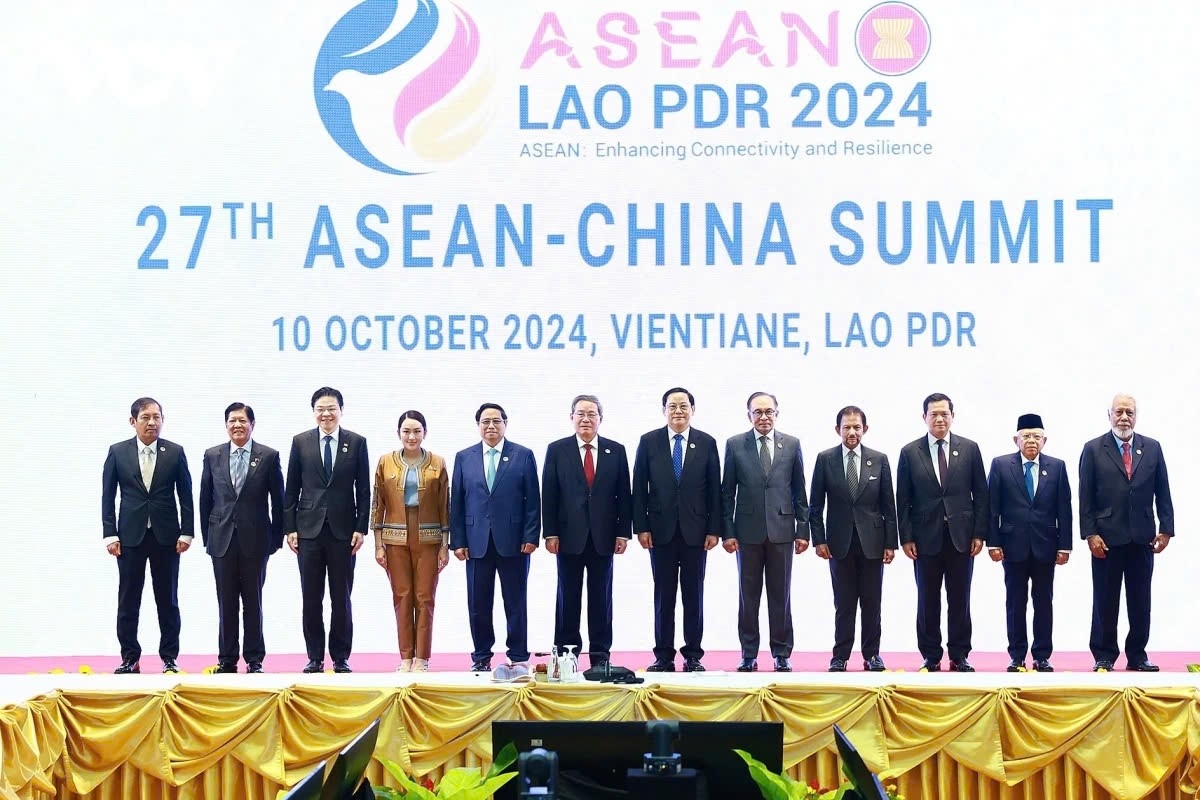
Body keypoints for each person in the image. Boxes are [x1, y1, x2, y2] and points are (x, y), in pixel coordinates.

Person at [1078, 394, 1174, 672]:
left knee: (1140, 600)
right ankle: (1104, 655)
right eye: (1118, 412)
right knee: (1105, 600)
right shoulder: (1094, 448)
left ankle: (1137, 654)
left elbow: (1163, 491)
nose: (1124, 417)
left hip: (1143, 537)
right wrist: (1090, 534)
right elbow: (1085, 497)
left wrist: (1166, 528)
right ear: (1108, 415)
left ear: (1136, 416)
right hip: (1106, 539)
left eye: (1129, 412)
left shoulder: (1152, 448)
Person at [896, 393, 988, 672]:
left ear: (952, 416)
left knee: (960, 598)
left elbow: (981, 495)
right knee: (927, 599)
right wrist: (907, 537)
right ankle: (931, 655)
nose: (939, 419)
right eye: (933, 414)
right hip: (925, 539)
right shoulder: (910, 452)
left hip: (961, 537)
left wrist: (979, 533)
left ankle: (959, 655)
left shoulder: (969, 449)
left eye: (944, 414)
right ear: (924, 417)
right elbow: (904, 499)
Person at [101, 397, 194, 674]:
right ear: (133, 421)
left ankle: (169, 657)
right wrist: (110, 534)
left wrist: (187, 531)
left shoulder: (175, 452)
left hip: (167, 536)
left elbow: (186, 495)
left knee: (168, 599)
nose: (152, 422)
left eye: (157, 417)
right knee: (129, 598)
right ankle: (130, 657)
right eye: (145, 417)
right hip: (129, 537)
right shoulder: (118, 452)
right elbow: (108, 496)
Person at [632, 387, 721, 672]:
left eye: (684, 406)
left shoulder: (706, 443)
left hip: (697, 532)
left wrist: (714, 529)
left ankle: (693, 655)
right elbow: (639, 488)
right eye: (672, 406)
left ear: (693, 410)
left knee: (694, 595)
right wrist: (641, 527)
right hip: (660, 532)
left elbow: (715, 492)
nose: (678, 411)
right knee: (664, 595)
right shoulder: (649, 442)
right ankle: (664, 656)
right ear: (664, 411)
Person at [720, 391, 809, 673]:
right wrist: (728, 531)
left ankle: (781, 653)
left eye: (768, 411)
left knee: (780, 595)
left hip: (782, 530)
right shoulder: (735, 445)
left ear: (777, 413)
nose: (763, 417)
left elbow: (799, 490)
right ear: (749, 415)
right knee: (748, 596)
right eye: (757, 412)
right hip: (746, 532)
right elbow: (727, 493)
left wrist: (803, 530)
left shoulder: (792, 445)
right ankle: (748, 653)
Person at [541, 394, 633, 669]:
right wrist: (551, 533)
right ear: (572, 418)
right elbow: (550, 494)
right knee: (567, 598)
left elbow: (623, 495)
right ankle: (567, 656)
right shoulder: (557, 450)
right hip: (568, 538)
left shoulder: (615, 450)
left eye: (591, 414)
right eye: (580, 414)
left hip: (604, 537)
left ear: (600, 419)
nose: (586, 419)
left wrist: (622, 533)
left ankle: (600, 656)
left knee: (601, 599)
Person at [284, 387, 370, 674]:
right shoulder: (301, 442)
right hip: (308, 531)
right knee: (311, 597)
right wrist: (290, 528)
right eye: (321, 409)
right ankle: (314, 657)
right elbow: (291, 488)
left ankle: (341, 656)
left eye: (332, 408)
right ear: (313, 412)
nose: (326, 414)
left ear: (341, 411)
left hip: (344, 533)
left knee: (341, 597)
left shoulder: (357, 443)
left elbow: (364, 489)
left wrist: (361, 528)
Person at [450, 403, 541, 673]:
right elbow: (457, 502)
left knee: (515, 601)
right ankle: (481, 655)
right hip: (476, 542)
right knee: (478, 603)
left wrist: (531, 535)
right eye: (485, 422)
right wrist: (458, 541)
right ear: (478, 425)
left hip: (514, 541)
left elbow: (533, 500)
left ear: (505, 424)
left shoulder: (522, 455)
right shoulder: (464, 457)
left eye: (496, 421)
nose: (491, 426)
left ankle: (518, 653)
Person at [809, 405, 897, 672]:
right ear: (838, 430)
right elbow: (815, 505)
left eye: (856, 427)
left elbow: (888, 505)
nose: (852, 432)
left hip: (872, 542)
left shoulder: (879, 459)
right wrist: (819, 540)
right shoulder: (825, 459)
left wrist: (890, 543)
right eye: (846, 427)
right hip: (839, 542)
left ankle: (872, 655)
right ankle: (840, 656)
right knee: (844, 603)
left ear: (865, 429)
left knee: (872, 601)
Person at [199, 402, 285, 674]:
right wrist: (207, 537)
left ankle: (254, 659)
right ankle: (226, 659)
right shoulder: (212, 455)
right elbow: (205, 499)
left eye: (242, 421)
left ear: (252, 425)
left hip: (256, 539)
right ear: (226, 425)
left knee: (252, 601)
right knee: (225, 601)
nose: (237, 425)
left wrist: (276, 539)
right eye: (232, 421)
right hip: (221, 539)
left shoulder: (268, 456)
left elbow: (278, 502)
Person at [985, 413, 1072, 673]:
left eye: (1036, 436)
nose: (1031, 440)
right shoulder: (1001, 465)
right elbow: (992, 508)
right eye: (1026, 436)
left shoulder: (1057, 467)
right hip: (1012, 546)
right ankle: (1016, 655)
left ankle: (1042, 655)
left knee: (1044, 601)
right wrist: (993, 543)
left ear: (1044, 440)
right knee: (1015, 601)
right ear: (1016, 439)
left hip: (1046, 546)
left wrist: (1064, 545)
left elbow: (1064, 509)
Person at [371, 411, 450, 672]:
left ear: (425, 433)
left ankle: (422, 658)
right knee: (401, 596)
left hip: (428, 537)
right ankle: (406, 657)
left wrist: (444, 544)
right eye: (406, 431)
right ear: (399, 434)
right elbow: (377, 504)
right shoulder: (385, 462)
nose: (411, 436)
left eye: (417, 431)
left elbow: (444, 506)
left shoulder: (438, 463)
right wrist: (378, 544)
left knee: (425, 597)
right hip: (394, 537)